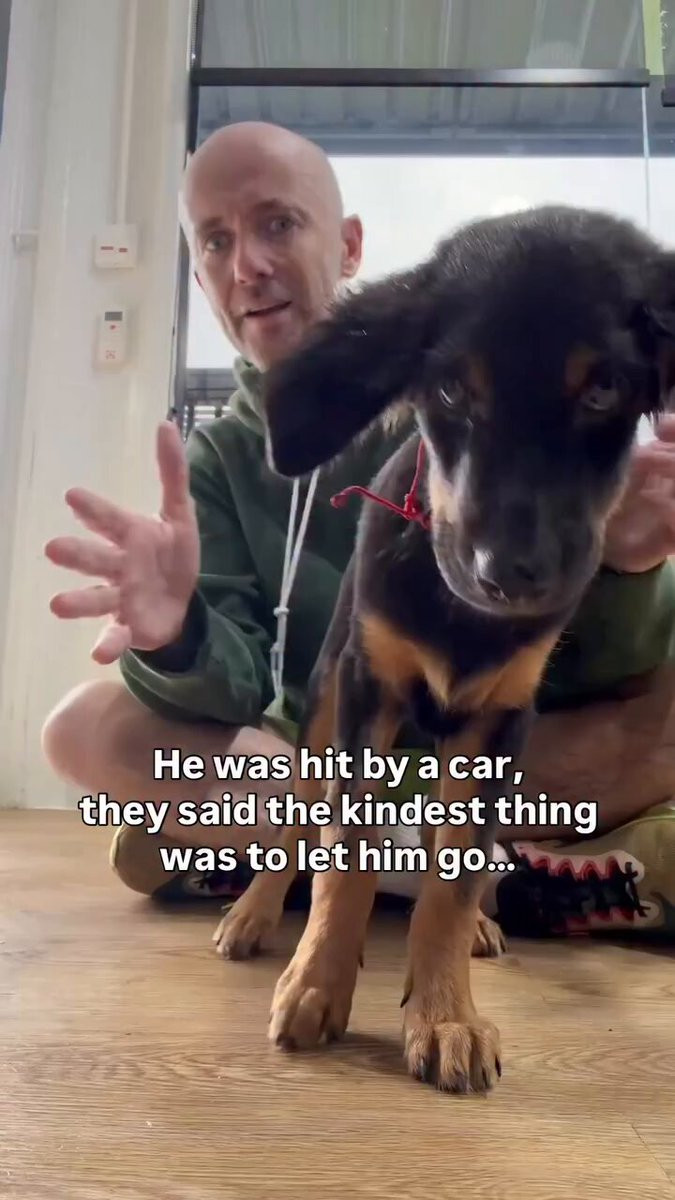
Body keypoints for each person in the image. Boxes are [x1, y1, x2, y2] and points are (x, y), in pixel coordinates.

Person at [42, 120, 675, 942]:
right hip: (309, 760)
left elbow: (591, 681)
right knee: (82, 725)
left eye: (277, 224)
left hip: (490, 753)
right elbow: (232, 696)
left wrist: (627, 569)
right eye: (216, 242)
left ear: (347, 247)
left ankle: (258, 851)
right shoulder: (216, 461)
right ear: (199, 280)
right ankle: (467, 874)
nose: (248, 265)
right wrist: (175, 636)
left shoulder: (484, 395)